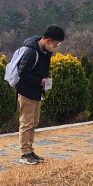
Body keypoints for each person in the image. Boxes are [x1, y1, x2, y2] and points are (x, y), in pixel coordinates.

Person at [15, 25, 65, 165]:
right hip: (26, 91)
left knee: (34, 122)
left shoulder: (45, 51)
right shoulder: (31, 51)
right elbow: (22, 72)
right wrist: (39, 81)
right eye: (56, 44)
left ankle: (30, 150)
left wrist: (45, 79)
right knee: (26, 122)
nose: (56, 47)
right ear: (48, 40)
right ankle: (24, 153)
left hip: (36, 91)